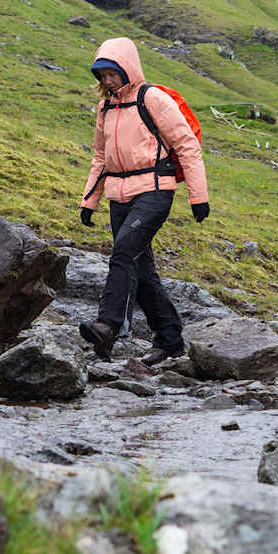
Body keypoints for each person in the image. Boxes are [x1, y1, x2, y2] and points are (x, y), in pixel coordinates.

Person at [79, 37, 209, 365]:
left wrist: (198, 196)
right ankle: (169, 339)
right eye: (102, 75)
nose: (108, 81)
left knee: (123, 252)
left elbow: (187, 145)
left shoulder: (153, 99)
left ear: (128, 68)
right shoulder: (105, 107)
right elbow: (100, 156)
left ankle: (108, 326)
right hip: (117, 195)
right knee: (141, 268)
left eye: (113, 73)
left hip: (154, 190)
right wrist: (89, 201)